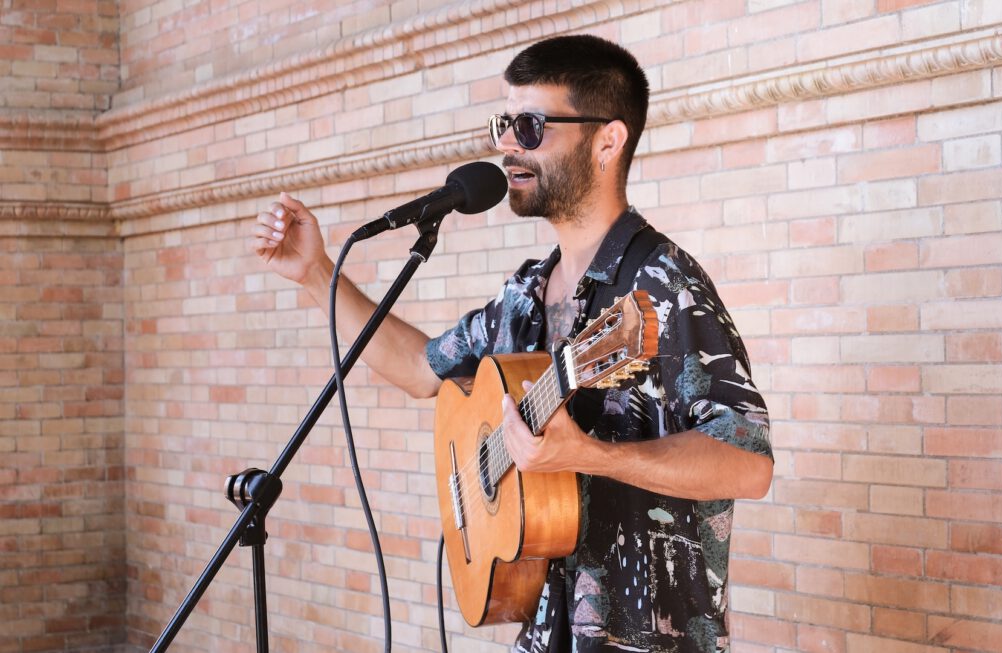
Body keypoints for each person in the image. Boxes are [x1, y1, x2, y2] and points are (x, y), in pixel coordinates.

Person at [250, 34, 773, 653]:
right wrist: (315, 274)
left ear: (607, 140)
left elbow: (749, 463)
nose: (505, 145)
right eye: (504, 123)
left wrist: (592, 456)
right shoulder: (525, 292)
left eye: (529, 126)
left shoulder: (663, 286)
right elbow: (422, 370)